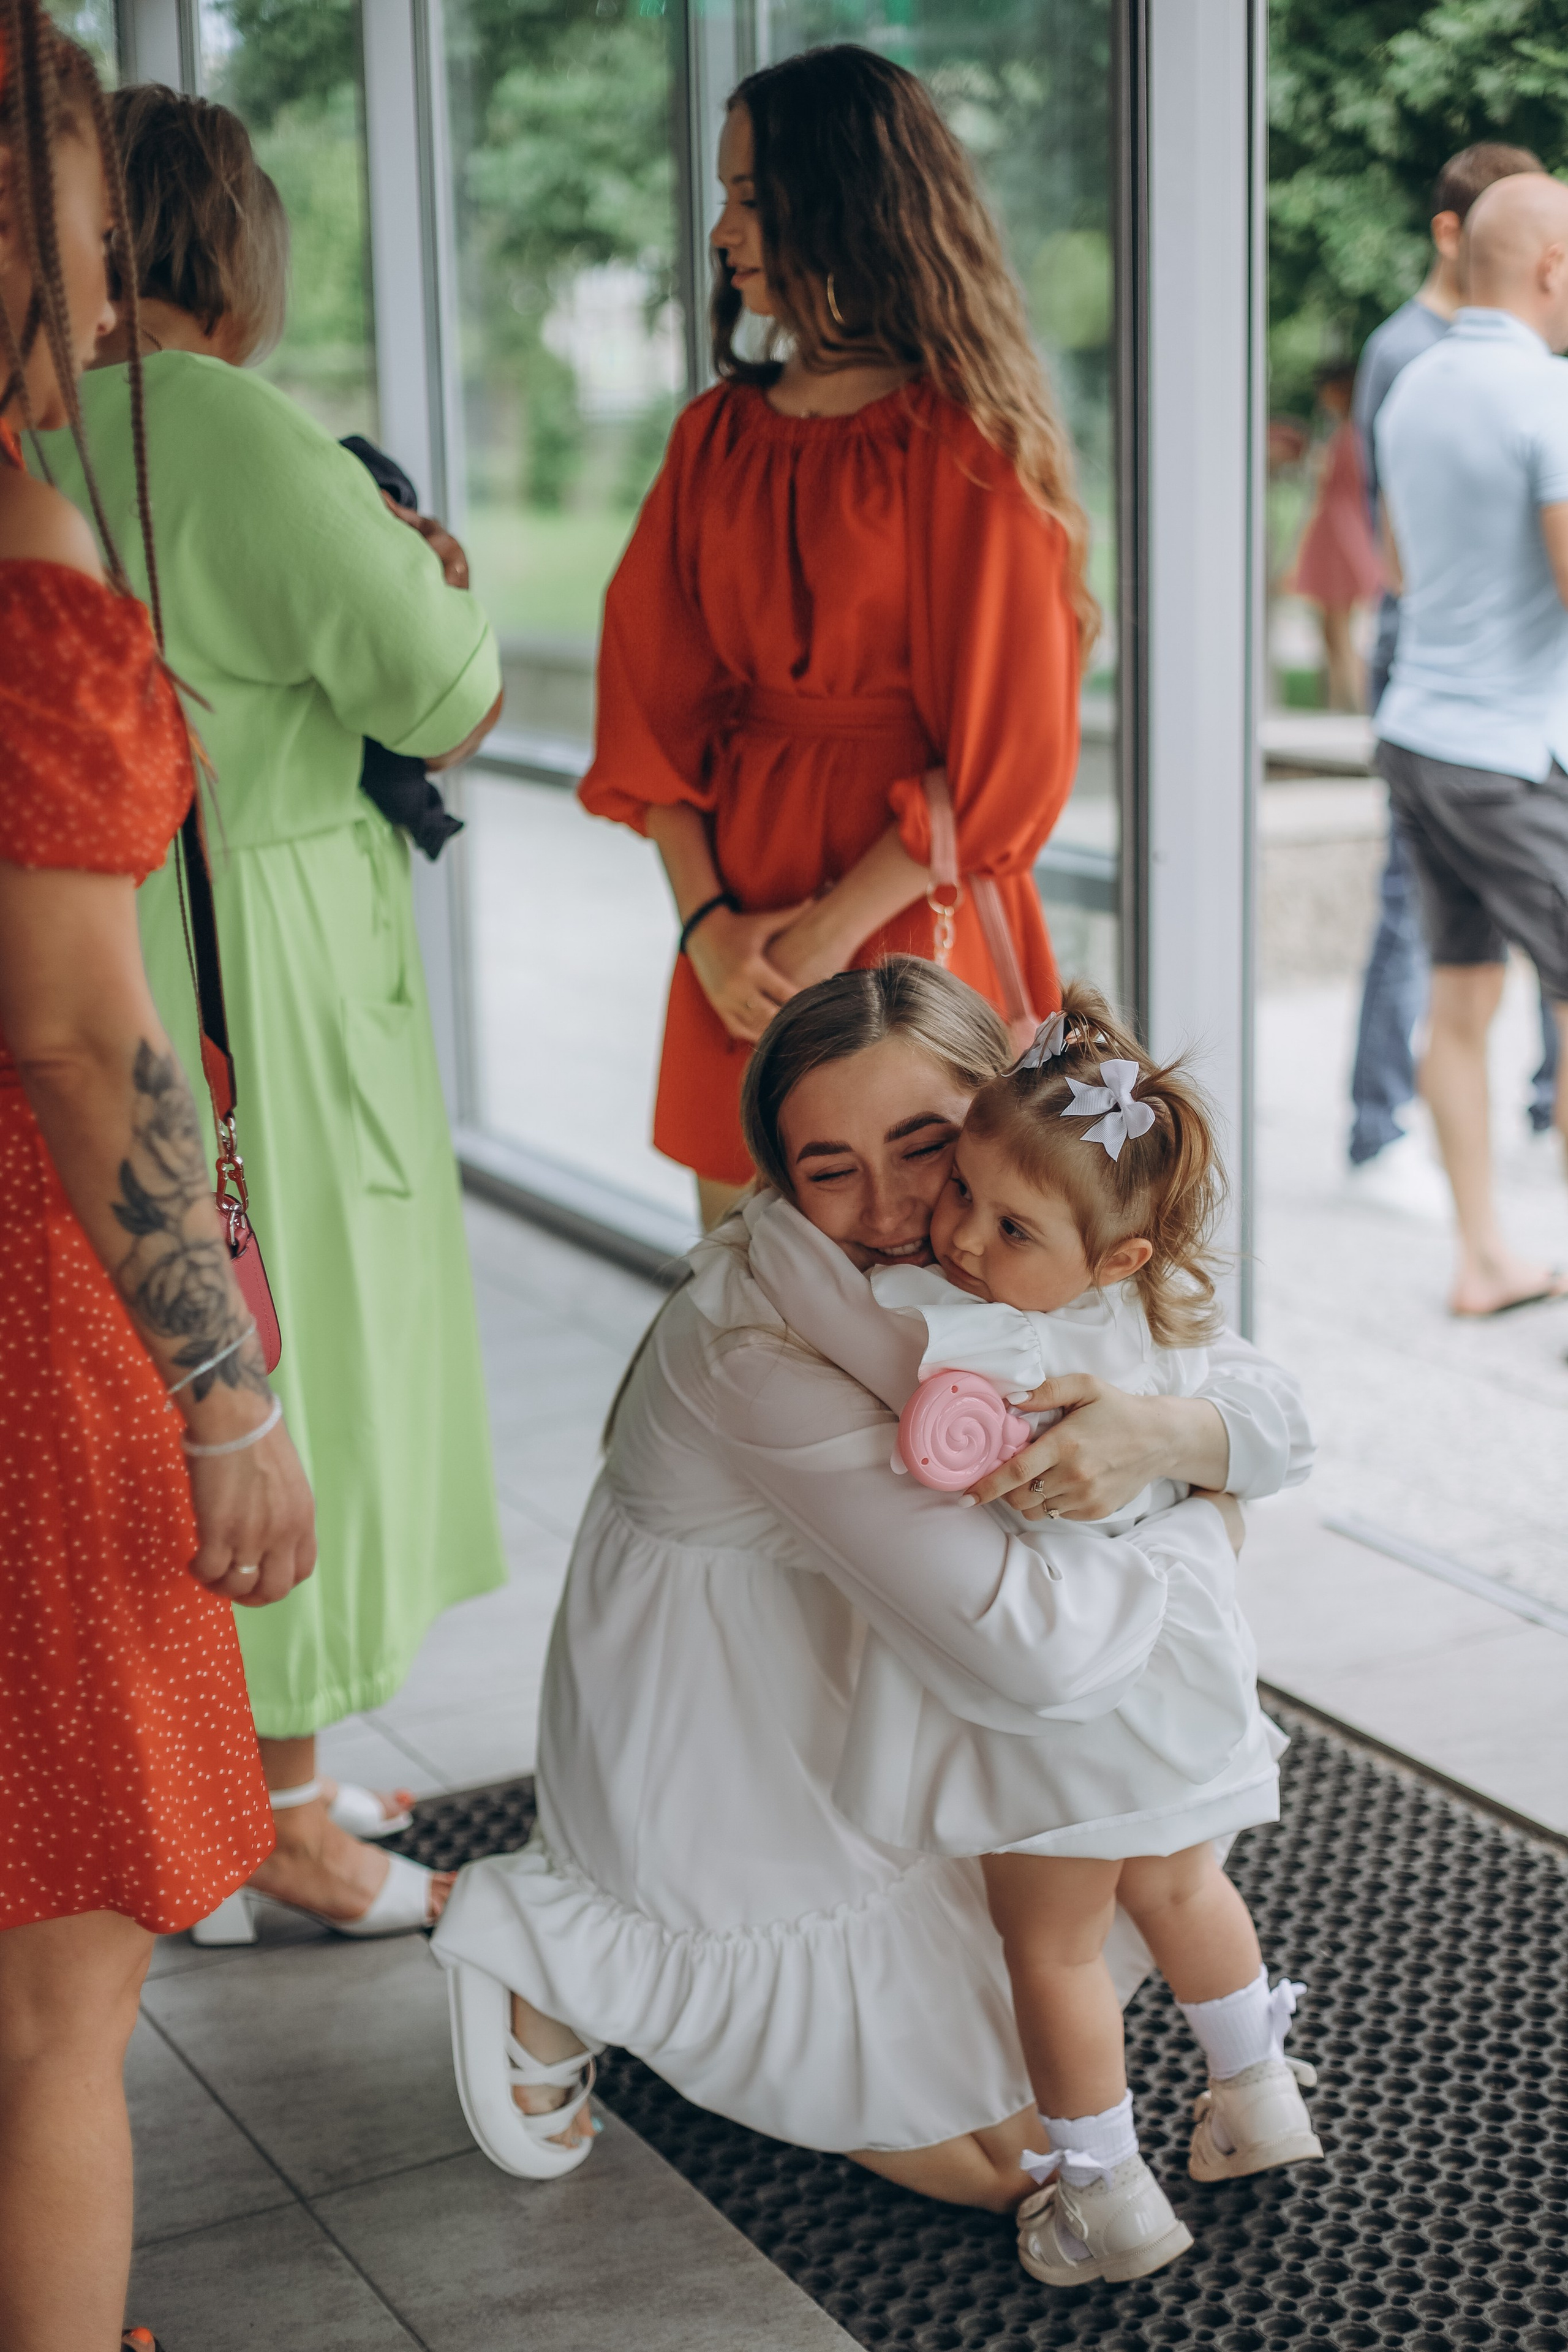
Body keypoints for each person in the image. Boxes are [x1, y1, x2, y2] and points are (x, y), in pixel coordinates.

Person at [431, 960, 1312, 2216]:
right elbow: (1038, 1654)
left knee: (1081, 1932)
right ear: (779, 1180)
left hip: (885, 1669)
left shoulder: (1009, 1244)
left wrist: (1162, 1435)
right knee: (1008, 2165)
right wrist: (1202, 1515)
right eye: (830, 1169)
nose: (901, 1213)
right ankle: (550, 1949)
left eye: (926, 1148)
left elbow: (1268, 1404)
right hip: (730, 1724)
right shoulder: (759, 1349)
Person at [43, 84, 508, 1934]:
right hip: (258, 948)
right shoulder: (220, 420)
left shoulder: (36, 428)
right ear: (231, 247)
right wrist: (425, 562)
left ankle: (231, 1784)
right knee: (283, 1350)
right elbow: (443, 691)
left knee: (162, 1364)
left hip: (109, 929)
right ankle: (291, 1820)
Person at [0, 10, 315, 2346]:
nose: (114, 299)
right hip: (37, 1319)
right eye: (93, 238)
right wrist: (225, 1394)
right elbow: (81, 1035)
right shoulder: (22, 550)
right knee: (52, 2003)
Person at [839, 987, 1318, 2286]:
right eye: (962, 1194)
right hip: (1180, 1678)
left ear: (1112, 1257)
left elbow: (937, 1446)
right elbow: (1252, 1419)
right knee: (1183, 1887)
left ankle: (1104, 2192)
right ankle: (1257, 2092)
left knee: (1051, 1948)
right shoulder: (1161, 1313)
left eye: (1011, 1226)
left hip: (1062, 1698)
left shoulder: (972, 1330)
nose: (960, 1235)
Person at [580, 45, 1090, 1231]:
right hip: (741, 931)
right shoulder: (712, 438)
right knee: (748, 1284)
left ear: (844, 201)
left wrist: (821, 936)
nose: (723, 233)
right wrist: (709, 934)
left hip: (909, 920)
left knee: (920, 1272)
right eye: (724, 198)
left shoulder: (963, 439)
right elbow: (649, 716)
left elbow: (1008, 765)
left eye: (751, 198)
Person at [1373, 171, 1568, 1317]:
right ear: (1550, 266)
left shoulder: (1414, 386)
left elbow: (1401, 567)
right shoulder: (1548, 395)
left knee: (1460, 997)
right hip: (1512, 757)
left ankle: (1484, 1258)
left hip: (1419, 737)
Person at [1287, 364, 1384, 713]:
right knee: (1332, 630)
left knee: (1341, 630)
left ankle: (1356, 704)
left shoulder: (1351, 438)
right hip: (1333, 539)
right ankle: (1341, 702)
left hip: (1339, 541)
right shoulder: (1347, 434)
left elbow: (1348, 500)